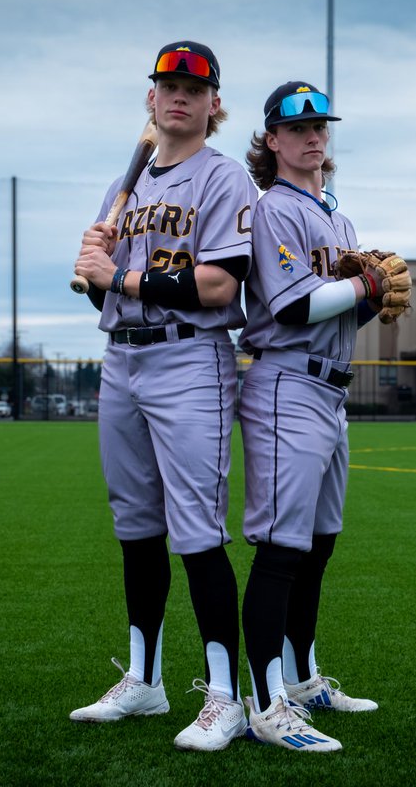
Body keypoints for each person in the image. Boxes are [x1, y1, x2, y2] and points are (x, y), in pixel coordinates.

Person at [69, 41, 254, 752]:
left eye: (194, 88)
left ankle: (224, 698)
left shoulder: (225, 178)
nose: (180, 95)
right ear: (151, 97)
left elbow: (218, 284)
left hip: (189, 359)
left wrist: (115, 277)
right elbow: (104, 298)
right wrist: (95, 268)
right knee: (135, 526)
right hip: (122, 358)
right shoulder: (127, 185)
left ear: (213, 104)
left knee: (198, 530)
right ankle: (144, 681)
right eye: (168, 84)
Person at [237, 81, 381, 753]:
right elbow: (295, 306)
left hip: (330, 390)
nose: (312, 136)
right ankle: (266, 705)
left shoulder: (337, 219)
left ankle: (301, 681)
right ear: (272, 140)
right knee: (281, 549)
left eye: (320, 125)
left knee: (319, 544)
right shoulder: (274, 209)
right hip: (286, 385)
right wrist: (364, 284)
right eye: (296, 128)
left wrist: (372, 298)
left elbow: (342, 311)